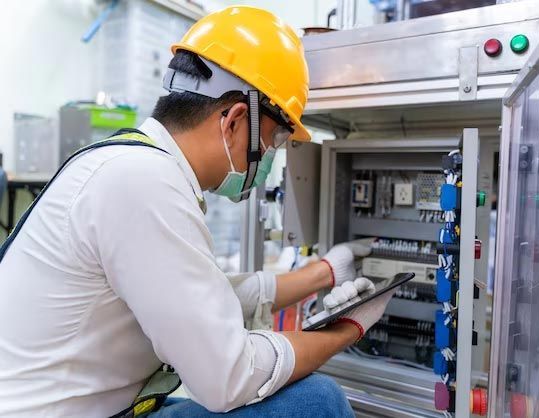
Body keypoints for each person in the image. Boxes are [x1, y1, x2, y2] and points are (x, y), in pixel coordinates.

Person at [0, 6, 396, 417]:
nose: (269, 156)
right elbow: (227, 377)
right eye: (275, 139)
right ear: (235, 120)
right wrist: (345, 331)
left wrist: (326, 273)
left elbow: (206, 296)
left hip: (102, 405)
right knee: (319, 402)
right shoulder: (144, 183)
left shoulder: (133, 164)